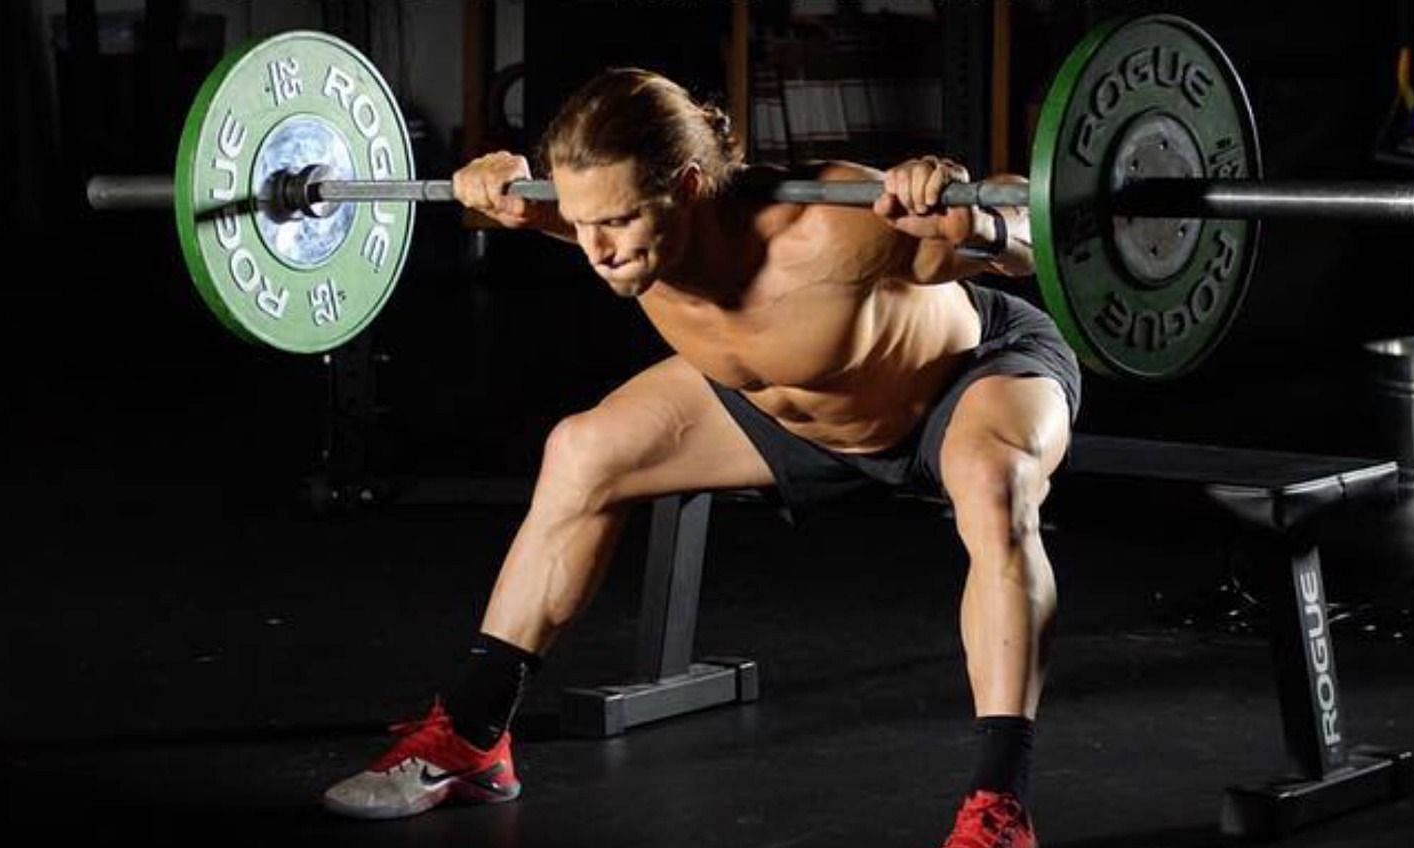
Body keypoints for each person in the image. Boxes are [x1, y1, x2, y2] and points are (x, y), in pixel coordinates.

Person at [322, 68, 1080, 848]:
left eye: (617, 219)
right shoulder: (606, 227)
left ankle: (1000, 803)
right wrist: (494, 186)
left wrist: (978, 217)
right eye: (580, 222)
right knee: (584, 450)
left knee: (995, 485)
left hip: (960, 384)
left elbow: (1029, 230)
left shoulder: (830, 227)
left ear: (687, 185)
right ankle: (474, 737)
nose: (597, 250)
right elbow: (539, 208)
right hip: (789, 412)